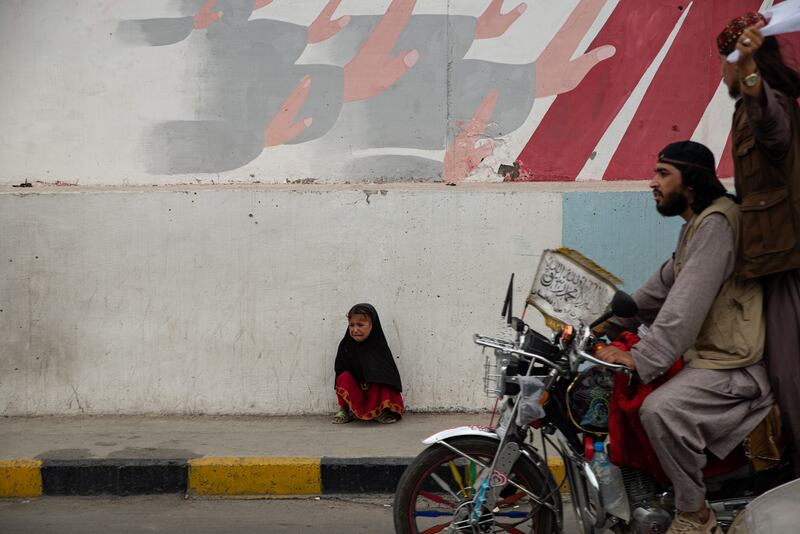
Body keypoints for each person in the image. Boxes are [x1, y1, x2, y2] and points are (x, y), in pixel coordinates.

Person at [596, 141, 774, 534]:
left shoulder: (718, 225)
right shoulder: (697, 225)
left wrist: (641, 357)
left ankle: (695, 512)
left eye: (663, 174)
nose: (652, 183)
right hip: (711, 358)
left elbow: (684, 305)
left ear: (690, 182)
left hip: (736, 365)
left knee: (660, 409)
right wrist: (602, 322)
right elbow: (656, 291)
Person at [717, 12, 800, 478]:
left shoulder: (770, 104)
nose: (721, 74)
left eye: (723, 64)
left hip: (788, 258)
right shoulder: (742, 110)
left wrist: (749, 71)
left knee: (791, 377)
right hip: (766, 260)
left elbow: (773, 127)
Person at [332, 303, 404, 424]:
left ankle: (381, 410)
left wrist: (371, 379)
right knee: (343, 377)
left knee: (382, 378)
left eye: (360, 325)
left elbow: (390, 376)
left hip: (375, 392)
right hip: (356, 392)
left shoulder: (379, 346)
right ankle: (345, 409)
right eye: (351, 325)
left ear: (373, 326)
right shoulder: (345, 346)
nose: (355, 330)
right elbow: (339, 370)